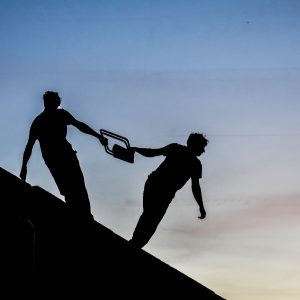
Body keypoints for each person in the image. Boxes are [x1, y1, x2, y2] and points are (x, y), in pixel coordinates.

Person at [20, 91, 107, 224]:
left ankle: (85, 216)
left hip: (63, 155)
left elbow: (80, 126)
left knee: (76, 185)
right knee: (70, 187)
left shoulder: (58, 115)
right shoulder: (40, 121)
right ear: (47, 103)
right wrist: (24, 166)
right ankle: (80, 217)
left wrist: (98, 136)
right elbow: (29, 146)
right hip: (55, 158)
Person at [129, 133, 208, 248]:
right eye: (202, 147)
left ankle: (135, 243)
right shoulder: (182, 153)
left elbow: (152, 153)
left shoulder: (192, 161)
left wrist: (201, 206)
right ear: (195, 145)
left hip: (162, 191)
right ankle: (135, 244)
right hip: (156, 187)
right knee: (150, 219)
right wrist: (201, 206)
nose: (203, 150)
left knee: (149, 218)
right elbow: (195, 187)